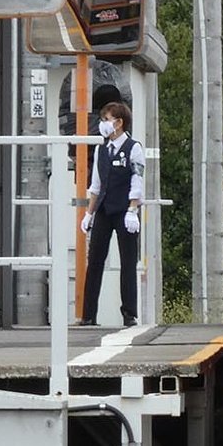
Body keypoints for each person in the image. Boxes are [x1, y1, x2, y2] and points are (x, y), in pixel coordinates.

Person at [78, 101, 145, 328]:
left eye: (107, 120)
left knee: (127, 262)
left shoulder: (134, 148)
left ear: (119, 122)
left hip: (126, 211)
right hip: (105, 210)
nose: (104, 124)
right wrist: (89, 213)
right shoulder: (101, 149)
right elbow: (96, 184)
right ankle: (88, 315)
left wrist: (133, 209)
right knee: (95, 260)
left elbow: (137, 179)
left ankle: (129, 314)